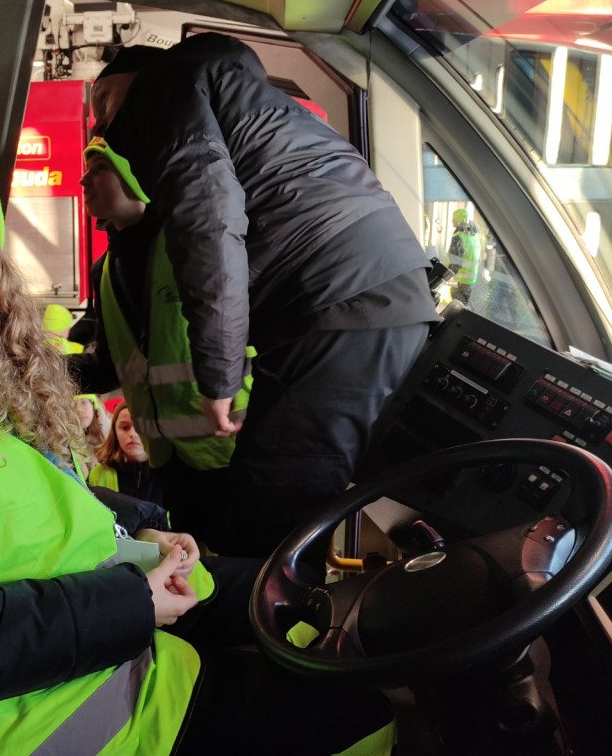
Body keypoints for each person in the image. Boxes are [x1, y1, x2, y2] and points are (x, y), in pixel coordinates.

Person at [0, 124, 396, 756]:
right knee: (366, 712)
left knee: (297, 595)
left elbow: (21, 511)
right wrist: (134, 602)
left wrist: (137, 535)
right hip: (47, 717)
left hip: (94, 634)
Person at [90, 34, 441, 556]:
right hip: (368, 293)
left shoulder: (163, 92)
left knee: (273, 508)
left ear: (133, 85)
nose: (102, 124)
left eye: (103, 104)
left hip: (338, 298)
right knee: (290, 497)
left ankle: (276, 633)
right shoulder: (243, 101)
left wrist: (219, 376)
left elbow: (208, 225)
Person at [73, 136, 251, 549]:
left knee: (249, 571)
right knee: (198, 573)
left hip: (236, 452)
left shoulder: (194, 250)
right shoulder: (106, 269)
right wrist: (29, 368)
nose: (84, 179)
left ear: (139, 178)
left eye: (101, 168)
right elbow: (110, 366)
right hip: (171, 464)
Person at [87, 402, 166, 508]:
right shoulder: (98, 474)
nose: (133, 434)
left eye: (141, 427)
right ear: (115, 432)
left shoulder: (170, 474)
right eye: (125, 427)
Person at [447, 207, 481, 303]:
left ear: (458, 220)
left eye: (454, 218)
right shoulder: (474, 236)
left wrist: (446, 276)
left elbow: (456, 261)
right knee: (467, 304)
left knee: (459, 305)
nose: (452, 220)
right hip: (472, 279)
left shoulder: (459, 237)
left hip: (462, 279)